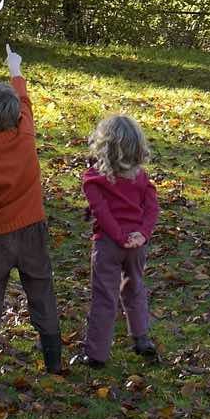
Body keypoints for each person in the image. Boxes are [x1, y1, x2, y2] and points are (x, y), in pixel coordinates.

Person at [0, 43, 63, 375]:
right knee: (41, 287)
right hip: (33, 227)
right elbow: (26, 102)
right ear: (17, 116)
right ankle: (53, 358)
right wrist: (15, 69)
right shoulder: (25, 136)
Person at [81, 113, 160, 367]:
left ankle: (96, 354)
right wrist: (142, 235)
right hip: (136, 245)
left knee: (104, 296)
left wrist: (121, 237)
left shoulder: (93, 179)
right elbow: (152, 209)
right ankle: (141, 338)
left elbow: (102, 213)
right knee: (135, 286)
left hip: (109, 244)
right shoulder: (141, 178)